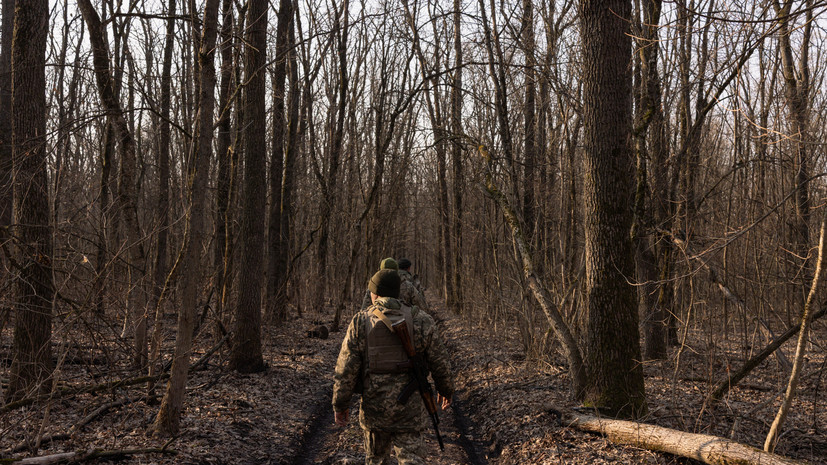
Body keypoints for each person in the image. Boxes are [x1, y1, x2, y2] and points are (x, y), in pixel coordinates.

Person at [333, 269, 454, 464]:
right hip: (411, 412)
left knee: (377, 460)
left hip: (375, 410)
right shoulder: (422, 320)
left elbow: (345, 369)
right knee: (413, 460)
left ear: (376, 293)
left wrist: (340, 404)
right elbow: (440, 362)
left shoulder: (360, 322)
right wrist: (446, 389)